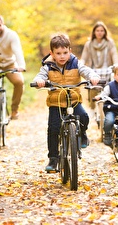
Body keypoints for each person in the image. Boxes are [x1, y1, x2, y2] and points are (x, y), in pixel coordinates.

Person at [33, 34, 100, 172]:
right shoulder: (48, 66)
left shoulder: (76, 63)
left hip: (73, 100)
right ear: (52, 53)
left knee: (84, 117)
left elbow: (85, 70)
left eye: (65, 53)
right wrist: (39, 81)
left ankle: (82, 134)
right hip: (56, 102)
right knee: (53, 128)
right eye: (58, 53)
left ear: (70, 51)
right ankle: (53, 159)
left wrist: (92, 76)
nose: (62, 56)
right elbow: (40, 76)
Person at [80, 21, 118, 118]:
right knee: (92, 89)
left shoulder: (109, 43)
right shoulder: (88, 44)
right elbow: (84, 57)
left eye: (102, 30)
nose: (99, 32)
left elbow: (114, 55)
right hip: (94, 71)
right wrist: (80, 64)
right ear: (94, 32)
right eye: (97, 30)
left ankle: (109, 109)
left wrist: (117, 65)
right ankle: (92, 108)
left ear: (105, 32)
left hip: (107, 70)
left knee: (109, 90)